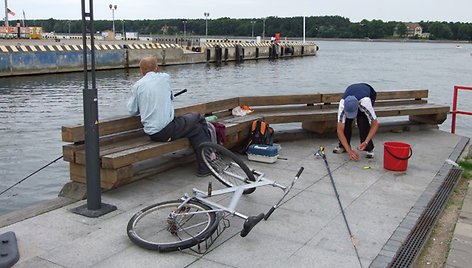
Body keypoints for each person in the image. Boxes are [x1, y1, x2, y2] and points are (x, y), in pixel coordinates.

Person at [127, 57, 212, 176]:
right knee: (197, 117)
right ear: (157, 68)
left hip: (153, 133)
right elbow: (170, 96)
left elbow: (132, 110)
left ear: (141, 71)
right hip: (166, 130)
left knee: (196, 129)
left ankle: (205, 167)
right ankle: (211, 154)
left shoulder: (138, 86)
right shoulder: (165, 78)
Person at [333, 83, 378, 160]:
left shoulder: (365, 103)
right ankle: (343, 146)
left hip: (368, 92)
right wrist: (349, 151)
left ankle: (368, 148)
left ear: (358, 105)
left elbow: (375, 124)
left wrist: (366, 142)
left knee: (362, 121)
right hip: (352, 90)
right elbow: (339, 130)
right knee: (346, 122)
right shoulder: (342, 104)